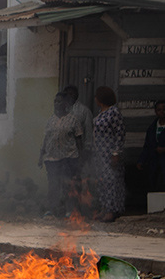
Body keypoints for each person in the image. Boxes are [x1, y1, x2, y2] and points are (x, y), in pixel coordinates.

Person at [38, 90, 82, 218]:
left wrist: (81, 157)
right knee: (53, 186)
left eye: (59, 102)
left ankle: (69, 210)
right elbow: (46, 139)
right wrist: (41, 156)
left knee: (68, 185)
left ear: (66, 104)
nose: (56, 104)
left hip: (69, 158)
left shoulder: (73, 119)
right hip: (52, 159)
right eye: (55, 102)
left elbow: (79, 139)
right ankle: (52, 210)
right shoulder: (51, 120)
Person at [90, 85, 125, 222]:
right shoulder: (101, 113)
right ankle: (104, 207)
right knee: (102, 181)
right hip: (100, 154)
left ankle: (112, 209)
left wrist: (115, 152)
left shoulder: (114, 113)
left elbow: (120, 133)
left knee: (111, 181)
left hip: (109, 153)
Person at [137, 100, 165, 194]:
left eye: (164, 109)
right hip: (155, 162)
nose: (162, 112)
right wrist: (141, 161)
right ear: (156, 112)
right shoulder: (152, 128)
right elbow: (147, 146)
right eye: (159, 110)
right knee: (155, 186)